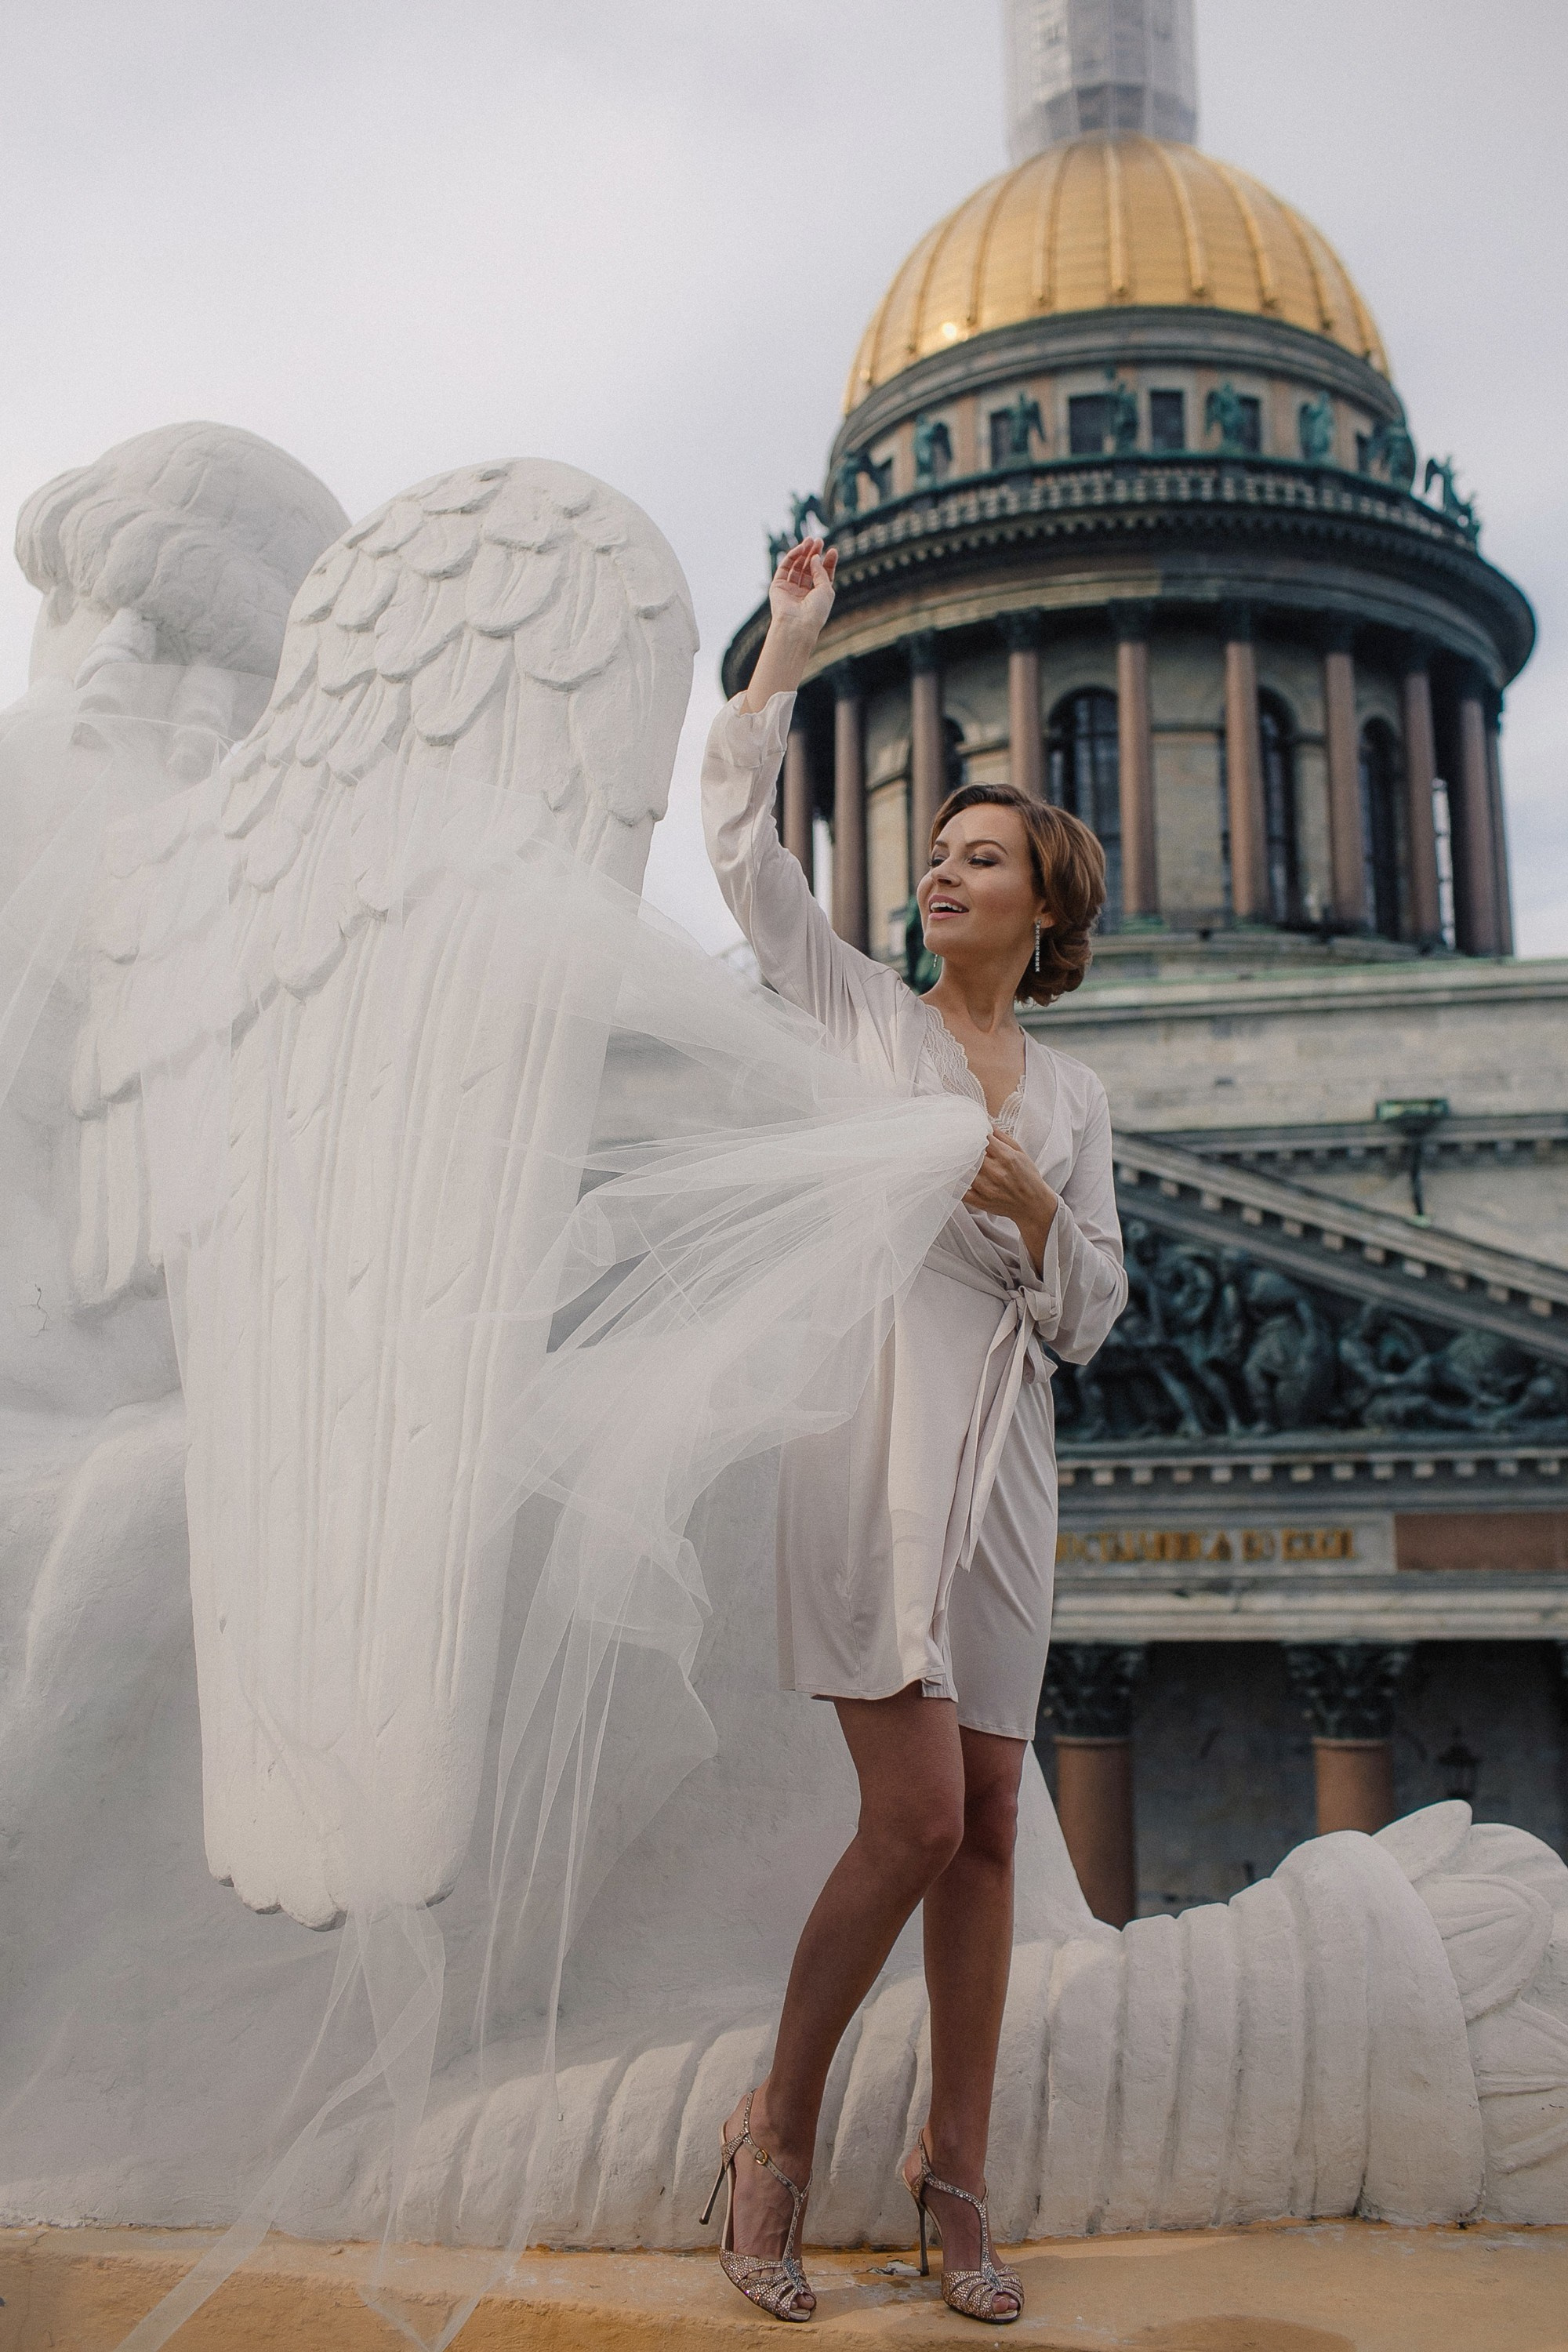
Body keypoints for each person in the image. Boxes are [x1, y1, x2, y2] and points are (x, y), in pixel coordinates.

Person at [698, 540, 1127, 2323]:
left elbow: (1093, 1316)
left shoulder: (1081, 1097)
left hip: (1005, 1469)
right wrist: (789, 654)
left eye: (979, 861)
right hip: (875, 1431)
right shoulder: (857, 1021)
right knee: (912, 1819)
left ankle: (955, 2173)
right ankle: (773, 2133)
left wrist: (1036, 1218)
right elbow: (740, 858)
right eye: (934, 857)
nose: (941, 876)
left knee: (996, 1830)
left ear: (1042, 904)